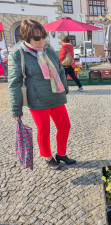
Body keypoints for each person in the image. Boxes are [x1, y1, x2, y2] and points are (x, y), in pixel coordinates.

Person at [8, 19, 76, 170]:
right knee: (44, 130)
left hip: (56, 96)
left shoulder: (49, 50)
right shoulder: (18, 54)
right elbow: (14, 83)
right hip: (37, 100)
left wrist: (65, 87)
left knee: (65, 126)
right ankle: (48, 157)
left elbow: (60, 70)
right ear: (26, 37)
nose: (41, 41)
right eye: (37, 38)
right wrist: (16, 110)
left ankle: (61, 154)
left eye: (43, 36)